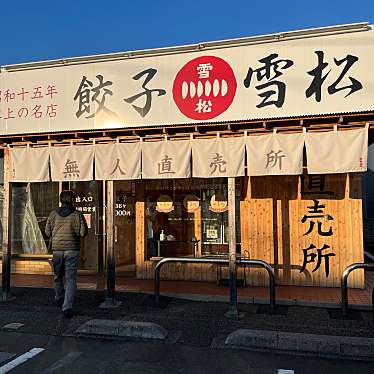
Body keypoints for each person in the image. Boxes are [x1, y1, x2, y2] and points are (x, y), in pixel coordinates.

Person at [45, 190, 88, 319]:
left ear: (61, 200)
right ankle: (67, 307)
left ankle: (58, 297)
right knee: (71, 279)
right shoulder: (77, 214)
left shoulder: (53, 214)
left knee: (57, 275)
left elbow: (47, 233)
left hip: (57, 250)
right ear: (73, 200)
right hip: (72, 250)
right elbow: (82, 233)